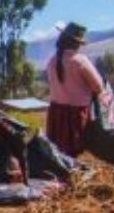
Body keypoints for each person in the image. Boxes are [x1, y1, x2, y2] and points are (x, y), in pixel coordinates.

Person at [45, 22, 105, 157]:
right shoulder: (80, 61)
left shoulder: (51, 61)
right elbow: (98, 87)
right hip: (76, 114)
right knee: (74, 152)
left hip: (56, 112)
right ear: (76, 43)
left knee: (59, 152)